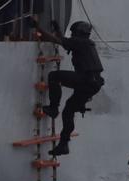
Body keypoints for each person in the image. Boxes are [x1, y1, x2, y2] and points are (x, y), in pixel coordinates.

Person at [31, 19, 104, 156]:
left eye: (74, 33)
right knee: (68, 110)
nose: (72, 35)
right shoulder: (86, 43)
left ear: (79, 32)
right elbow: (65, 42)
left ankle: (53, 107)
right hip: (94, 84)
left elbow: (56, 40)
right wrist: (58, 30)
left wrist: (38, 27)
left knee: (54, 76)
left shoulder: (80, 42)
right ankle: (64, 144)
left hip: (85, 80)